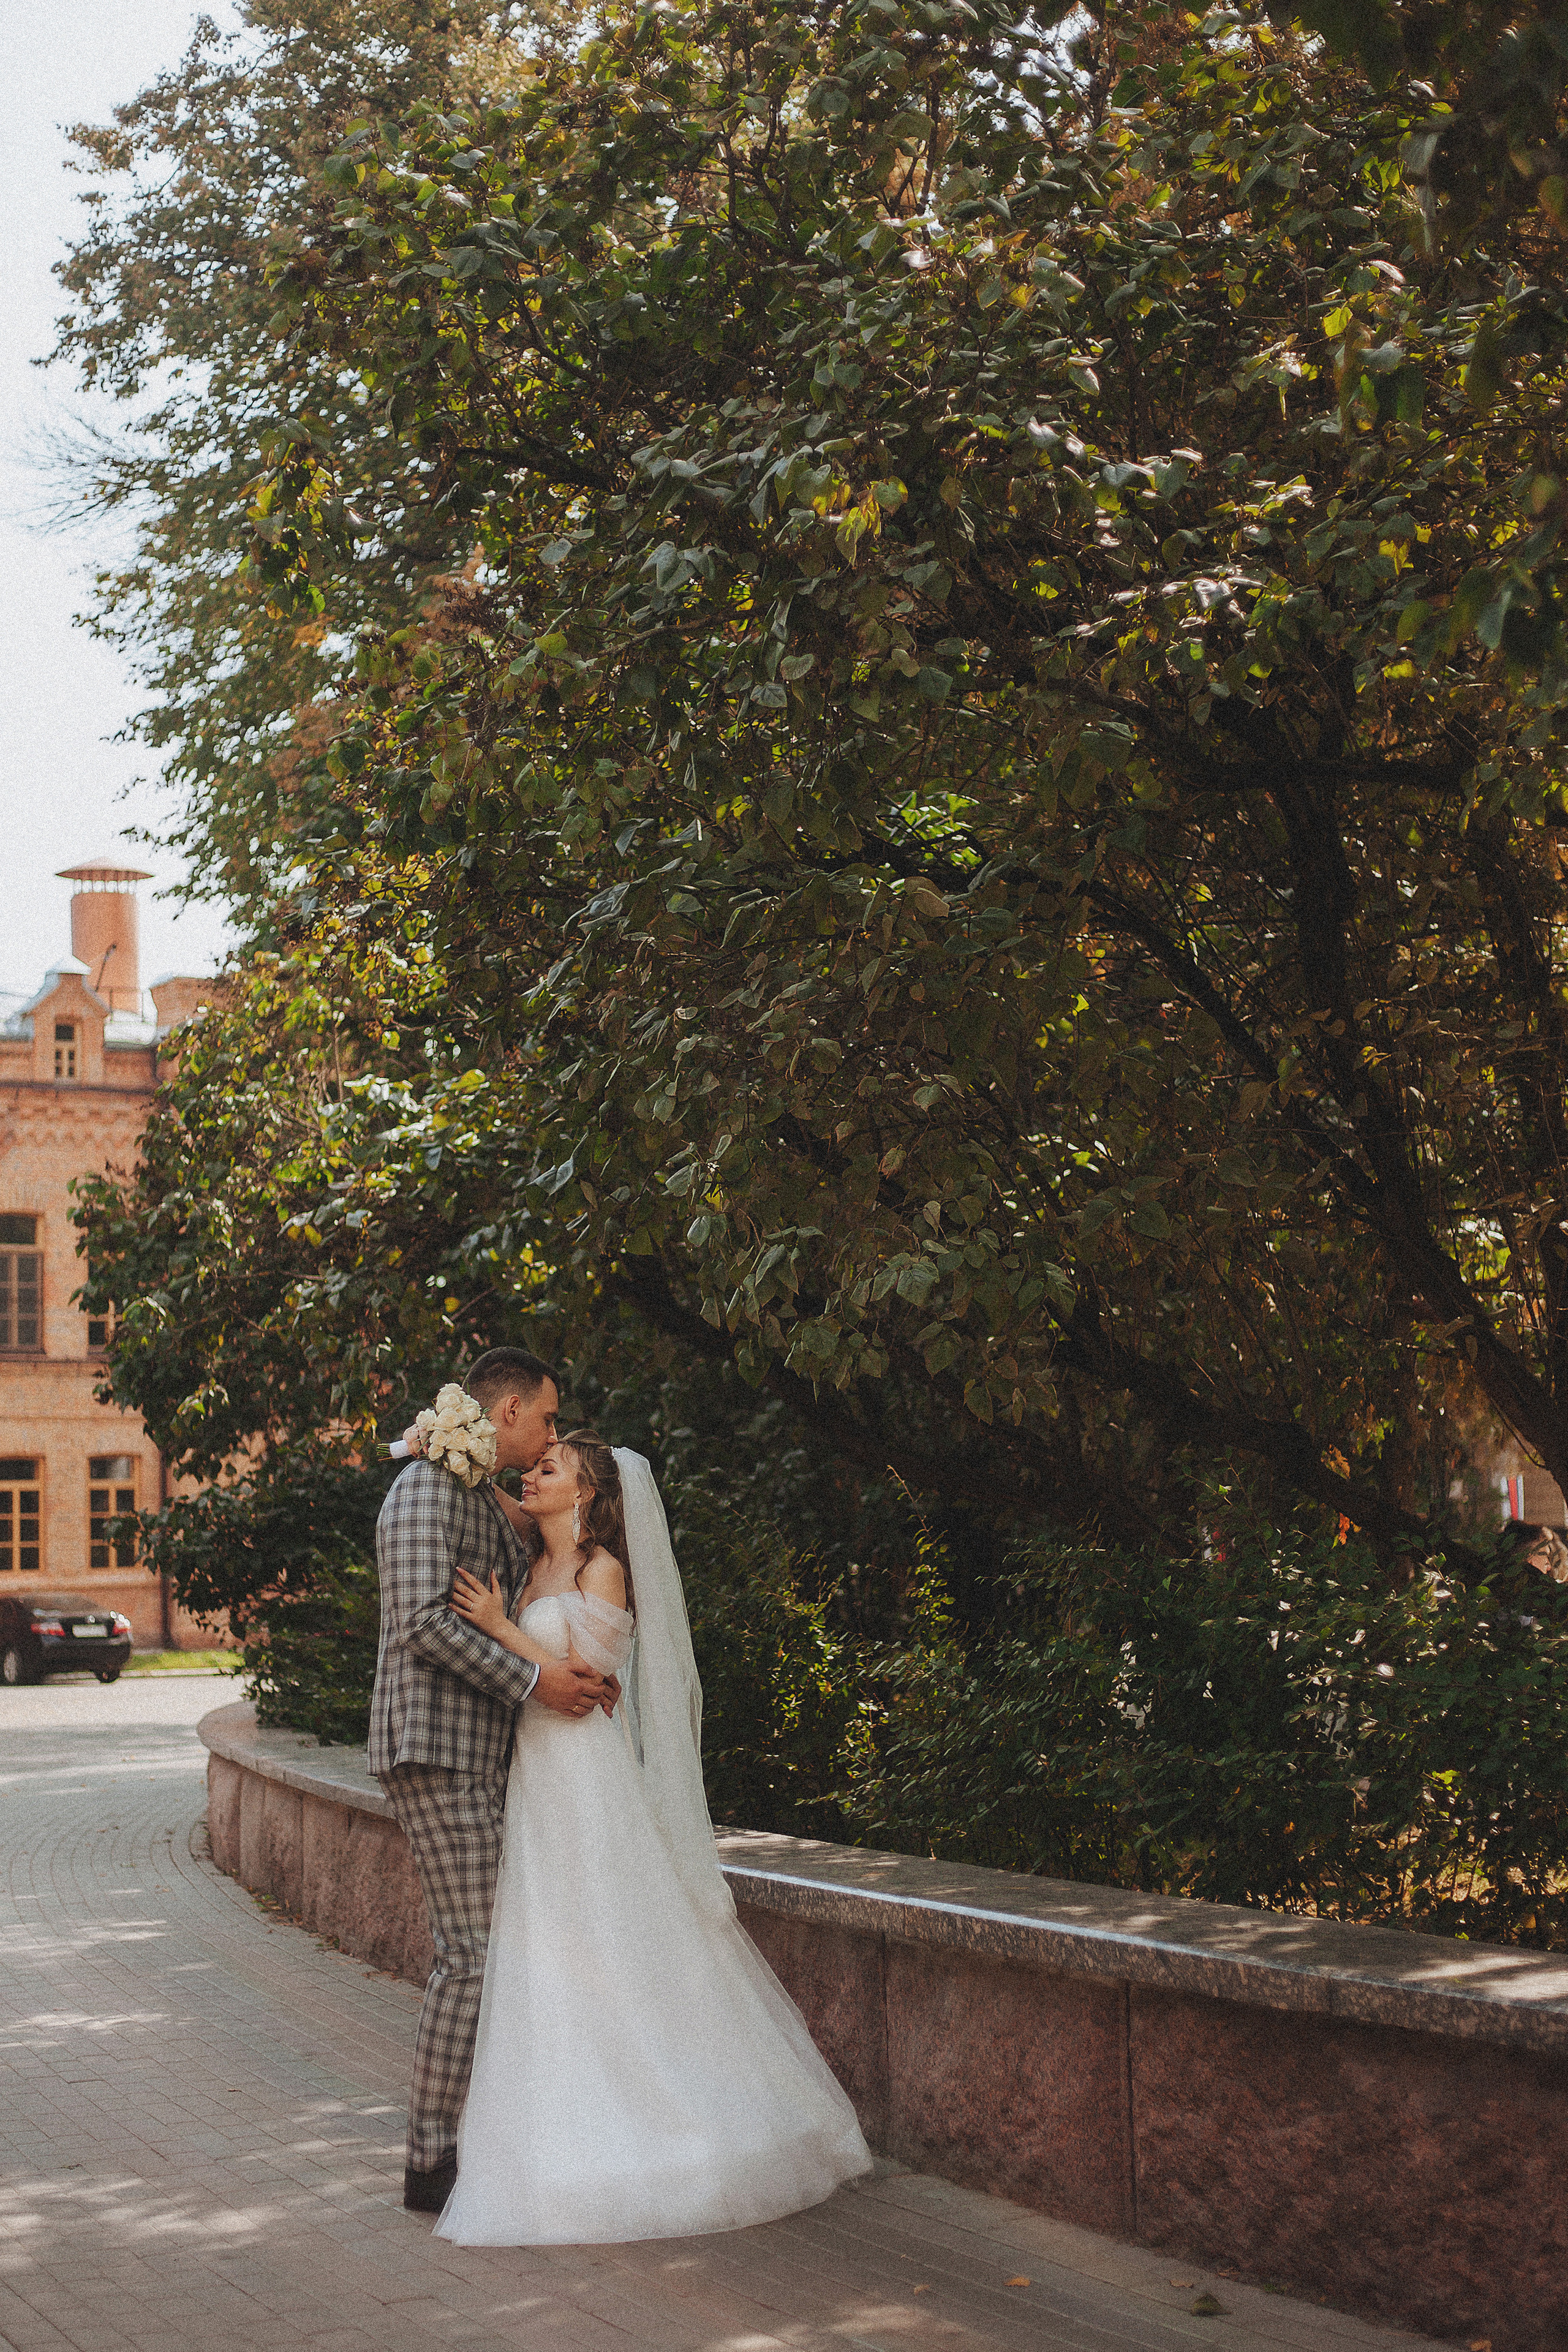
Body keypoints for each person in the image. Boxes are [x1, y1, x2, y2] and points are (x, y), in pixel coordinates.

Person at [428, 1427, 873, 2245]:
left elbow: (586, 1681)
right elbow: (541, 1658)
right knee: (548, 1944)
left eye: (550, 1468)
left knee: (612, 1933)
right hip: (537, 1779)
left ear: (589, 1493)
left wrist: (498, 1626)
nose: (534, 1476)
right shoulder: (533, 1565)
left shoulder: (605, 1570)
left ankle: (681, 2119)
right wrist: (444, 1443)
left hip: (588, 1778)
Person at [370, 1348, 618, 2215]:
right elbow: (421, 1625)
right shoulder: (421, 1494)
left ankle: (489, 2138)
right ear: (508, 1411)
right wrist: (537, 1682)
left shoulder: (471, 1490)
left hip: (486, 1754)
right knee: (472, 1956)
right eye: (547, 1418)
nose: (554, 1432)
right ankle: (431, 2160)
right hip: (433, 1750)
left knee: (490, 1952)